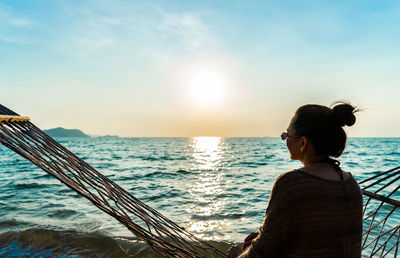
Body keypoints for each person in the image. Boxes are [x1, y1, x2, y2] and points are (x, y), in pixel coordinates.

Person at [228, 102, 363, 257]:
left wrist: (238, 255)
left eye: (287, 134)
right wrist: (262, 238)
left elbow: (260, 254)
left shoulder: (291, 184)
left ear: (303, 143)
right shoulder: (352, 184)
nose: (285, 138)